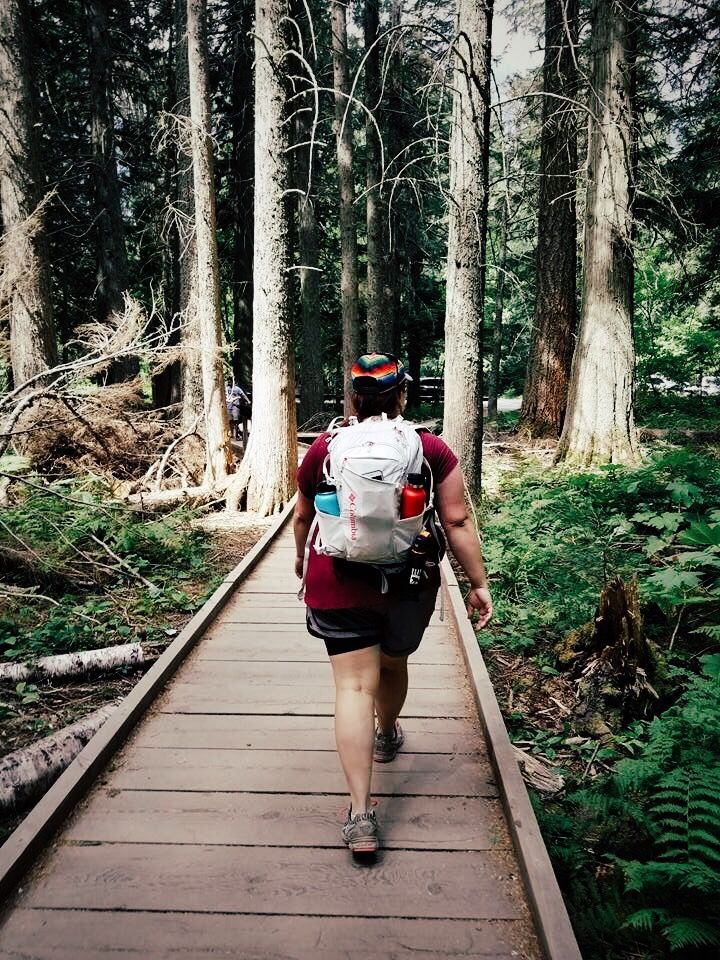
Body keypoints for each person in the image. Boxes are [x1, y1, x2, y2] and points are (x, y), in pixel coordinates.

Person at [293, 352, 493, 856]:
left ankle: (360, 814)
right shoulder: (429, 448)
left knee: (353, 688)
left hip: (338, 581)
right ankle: (387, 733)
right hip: (408, 580)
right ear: (402, 395)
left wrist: (301, 560)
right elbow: (458, 522)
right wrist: (478, 582)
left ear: (353, 400)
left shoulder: (326, 446)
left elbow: (303, 516)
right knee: (394, 661)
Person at [226, 380, 251, 444]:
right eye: (228, 382)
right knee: (230, 421)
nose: (229, 383)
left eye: (230, 382)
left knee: (236, 421)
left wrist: (248, 401)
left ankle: (236, 434)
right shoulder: (227, 388)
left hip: (236, 407)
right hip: (229, 406)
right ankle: (231, 433)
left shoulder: (237, 389)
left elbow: (243, 395)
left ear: (233, 382)